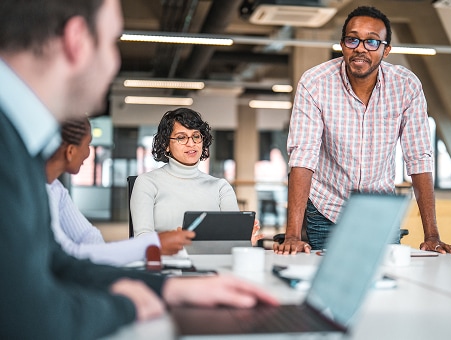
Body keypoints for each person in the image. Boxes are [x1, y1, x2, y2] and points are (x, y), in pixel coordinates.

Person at [0, 1, 276, 339]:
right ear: (77, 41)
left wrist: (169, 290)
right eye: (113, 41)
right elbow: (30, 318)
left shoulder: (20, 144)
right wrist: (128, 305)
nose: (115, 61)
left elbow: (57, 262)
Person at [274, 6, 451, 255]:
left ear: (386, 50)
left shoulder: (406, 86)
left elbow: (418, 158)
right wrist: (293, 236)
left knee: (385, 281)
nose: (360, 47)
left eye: (372, 41)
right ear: (342, 44)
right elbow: (302, 158)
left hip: (378, 209)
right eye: (353, 39)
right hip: (327, 206)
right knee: (324, 283)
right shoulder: (315, 83)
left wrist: (432, 236)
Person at [47, 117, 196, 265]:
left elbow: (87, 235)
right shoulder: (36, 192)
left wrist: (105, 259)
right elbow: (67, 254)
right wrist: (153, 244)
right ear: (71, 151)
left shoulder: (56, 189)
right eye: (88, 145)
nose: (88, 153)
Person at [131, 107, 263, 245]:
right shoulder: (147, 183)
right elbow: (142, 240)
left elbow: (230, 240)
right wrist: (172, 241)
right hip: (166, 263)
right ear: (166, 145)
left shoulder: (221, 187)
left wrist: (241, 241)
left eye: (196, 136)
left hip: (212, 263)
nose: (191, 143)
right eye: (181, 137)